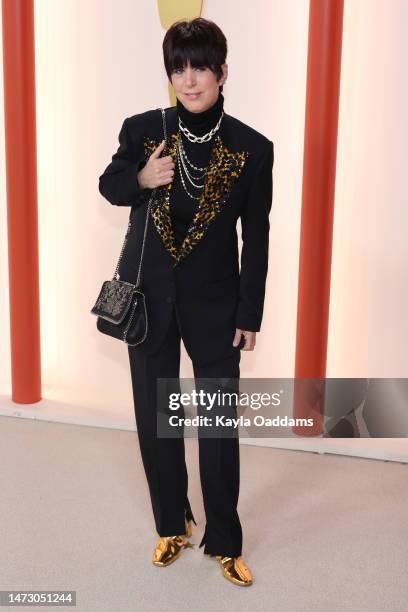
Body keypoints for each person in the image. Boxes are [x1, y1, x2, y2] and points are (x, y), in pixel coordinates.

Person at [98, 17, 274, 587]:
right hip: (150, 302)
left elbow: (258, 236)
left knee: (218, 427)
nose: (189, 79)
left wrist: (250, 313)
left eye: (200, 67)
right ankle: (171, 523)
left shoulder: (252, 148)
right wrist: (143, 178)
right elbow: (109, 184)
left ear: (223, 72)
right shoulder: (145, 130)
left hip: (218, 309)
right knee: (158, 421)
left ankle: (224, 539)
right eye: (179, 68)